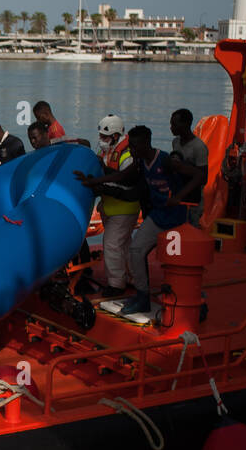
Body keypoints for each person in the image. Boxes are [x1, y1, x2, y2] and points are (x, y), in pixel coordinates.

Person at [76, 125, 185, 319]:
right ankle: (142, 295)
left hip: (175, 216)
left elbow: (198, 175)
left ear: (145, 144)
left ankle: (183, 296)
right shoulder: (140, 162)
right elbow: (121, 177)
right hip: (157, 214)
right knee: (136, 250)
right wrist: (92, 181)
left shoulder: (165, 160)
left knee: (175, 260)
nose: (131, 150)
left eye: (134, 146)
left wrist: (180, 198)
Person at [92, 114, 138, 296]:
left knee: (111, 244)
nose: (101, 141)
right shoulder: (107, 152)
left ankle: (116, 284)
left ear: (116, 136)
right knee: (124, 245)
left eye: (104, 137)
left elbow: (125, 182)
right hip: (111, 207)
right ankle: (133, 277)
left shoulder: (126, 156)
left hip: (124, 208)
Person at [168, 108, 208, 228]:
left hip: (192, 199)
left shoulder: (199, 147)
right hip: (177, 194)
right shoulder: (175, 142)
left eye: (174, 124)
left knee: (190, 228)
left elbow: (203, 178)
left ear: (185, 124)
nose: (171, 127)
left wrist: (181, 168)